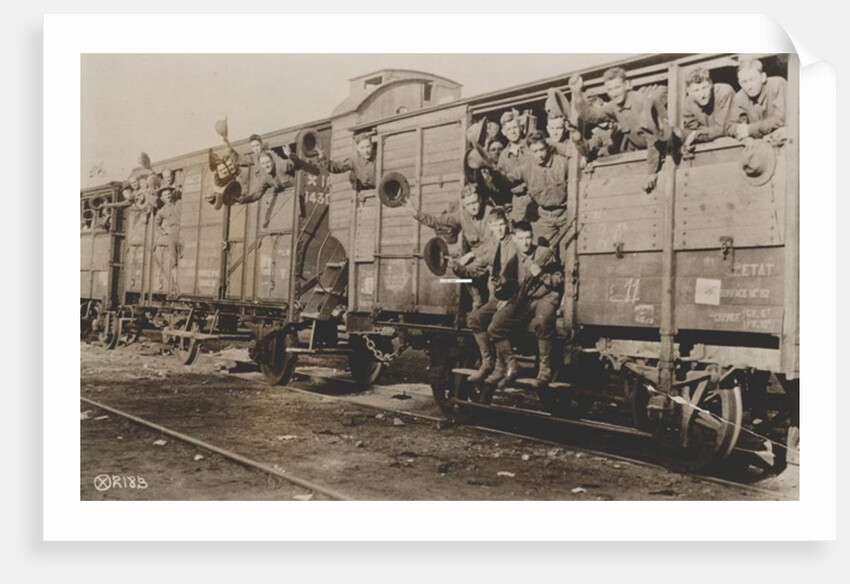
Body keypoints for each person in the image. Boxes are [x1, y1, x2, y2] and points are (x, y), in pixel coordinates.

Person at [486, 221, 564, 389]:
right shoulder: (514, 260)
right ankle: (512, 365)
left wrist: (542, 275)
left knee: (542, 322)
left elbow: (559, 281)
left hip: (546, 297)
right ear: (514, 239)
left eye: (528, 237)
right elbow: (508, 285)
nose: (526, 242)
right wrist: (504, 296)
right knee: (495, 327)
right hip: (525, 300)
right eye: (521, 238)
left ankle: (545, 370)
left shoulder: (545, 253)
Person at [569, 68, 671, 192]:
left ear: (627, 85)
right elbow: (591, 116)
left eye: (617, 87)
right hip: (646, 155)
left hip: (663, 153)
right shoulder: (614, 106)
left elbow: (653, 139)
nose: (613, 93)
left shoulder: (641, 102)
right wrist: (577, 94)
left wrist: (652, 171)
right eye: (609, 90)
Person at [403, 184, 493, 309]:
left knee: (492, 285)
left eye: (475, 202)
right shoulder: (461, 216)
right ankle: (477, 301)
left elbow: (491, 244)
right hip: (478, 258)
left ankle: (492, 306)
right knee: (459, 268)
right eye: (469, 204)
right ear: (464, 205)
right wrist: (416, 213)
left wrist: (471, 254)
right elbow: (437, 221)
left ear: (481, 200)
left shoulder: (490, 213)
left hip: (492, 256)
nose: (473, 207)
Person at [464, 208, 517, 383]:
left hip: (515, 297)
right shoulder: (495, 245)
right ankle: (487, 362)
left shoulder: (514, 244)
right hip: (499, 297)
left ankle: (504, 367)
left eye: (502, 225)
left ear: (507, 225)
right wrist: (459, 267)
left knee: (496, 325)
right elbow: (480, 263)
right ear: (491, 227)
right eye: (496, 226)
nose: (500, 229)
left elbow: (524, 276)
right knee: (475, 320)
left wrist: (510, 297)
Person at [500, 131, 570, 250]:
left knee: (568, 255)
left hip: (565, 216)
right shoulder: (526, 168)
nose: (540, 155)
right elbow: (506, 180)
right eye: (535, 151)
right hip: (544, 219)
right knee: (542, 255)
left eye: (542, 150)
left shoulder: (563, 164)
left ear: (547, 148)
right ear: (529, 152)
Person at [237, 149, 321, 227]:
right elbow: (257, 195)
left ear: (273, 161)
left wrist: (290, 154)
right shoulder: (265, 177)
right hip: (290, 200)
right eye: (263, 164)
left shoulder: (281, 165)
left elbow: (294, 163)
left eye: (267, 162)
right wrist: (244, 199)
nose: (266, 166)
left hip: (304, 192)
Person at [728, 59, 787, 141]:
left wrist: (749, 130)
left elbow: (781, 119)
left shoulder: (777, 85)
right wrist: (742, 134)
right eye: (744, 82)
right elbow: (731, 126)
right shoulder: (739, 97)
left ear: (763, 77)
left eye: (752, 79)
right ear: (739, 83)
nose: (749, 86)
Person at [681, 67, 736, 151]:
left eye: (704, 88)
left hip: (733, 143)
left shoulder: (724, 92)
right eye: (696, 90)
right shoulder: (688, 104)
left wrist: (697, 135)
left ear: (711, 84)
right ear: (689, 91)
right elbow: (690, 132)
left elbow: (723, 129)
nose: (702, 95)